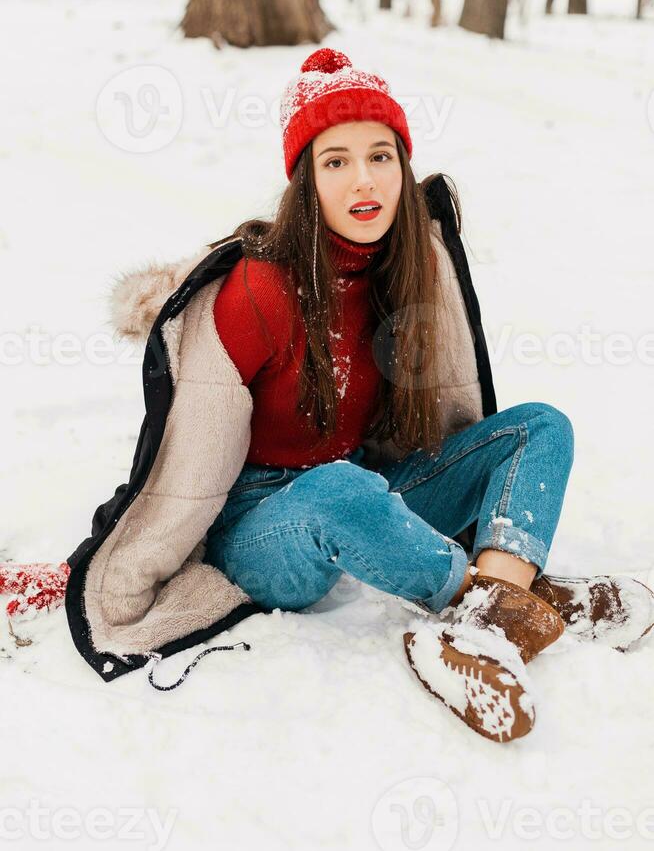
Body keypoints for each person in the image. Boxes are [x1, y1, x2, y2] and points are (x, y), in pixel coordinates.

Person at [194, 47, 654, 742]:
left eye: (381, 156)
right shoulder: (259, 290)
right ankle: (512, 605)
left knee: (540, 428)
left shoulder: (403, 267)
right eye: (336, 161)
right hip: (265, 525)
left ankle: (487, 621)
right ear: (305, 182)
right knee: (341, 490)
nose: (363, 179)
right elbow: (181, 445)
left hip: (364, 488)